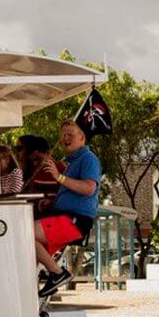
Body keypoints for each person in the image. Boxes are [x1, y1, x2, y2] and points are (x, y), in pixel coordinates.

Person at [35, 119, 101, 297]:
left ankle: (57, 273)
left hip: (75, 220)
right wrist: (53, 202)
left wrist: (59, 178)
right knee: (27, 247)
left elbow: (89, 188)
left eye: (70, 134)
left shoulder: (88, 158)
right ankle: (49, 274)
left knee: (27, 232)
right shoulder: (72, 162)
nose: (65, 138)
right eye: (63, 135)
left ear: (82, 138)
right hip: (65, 217)